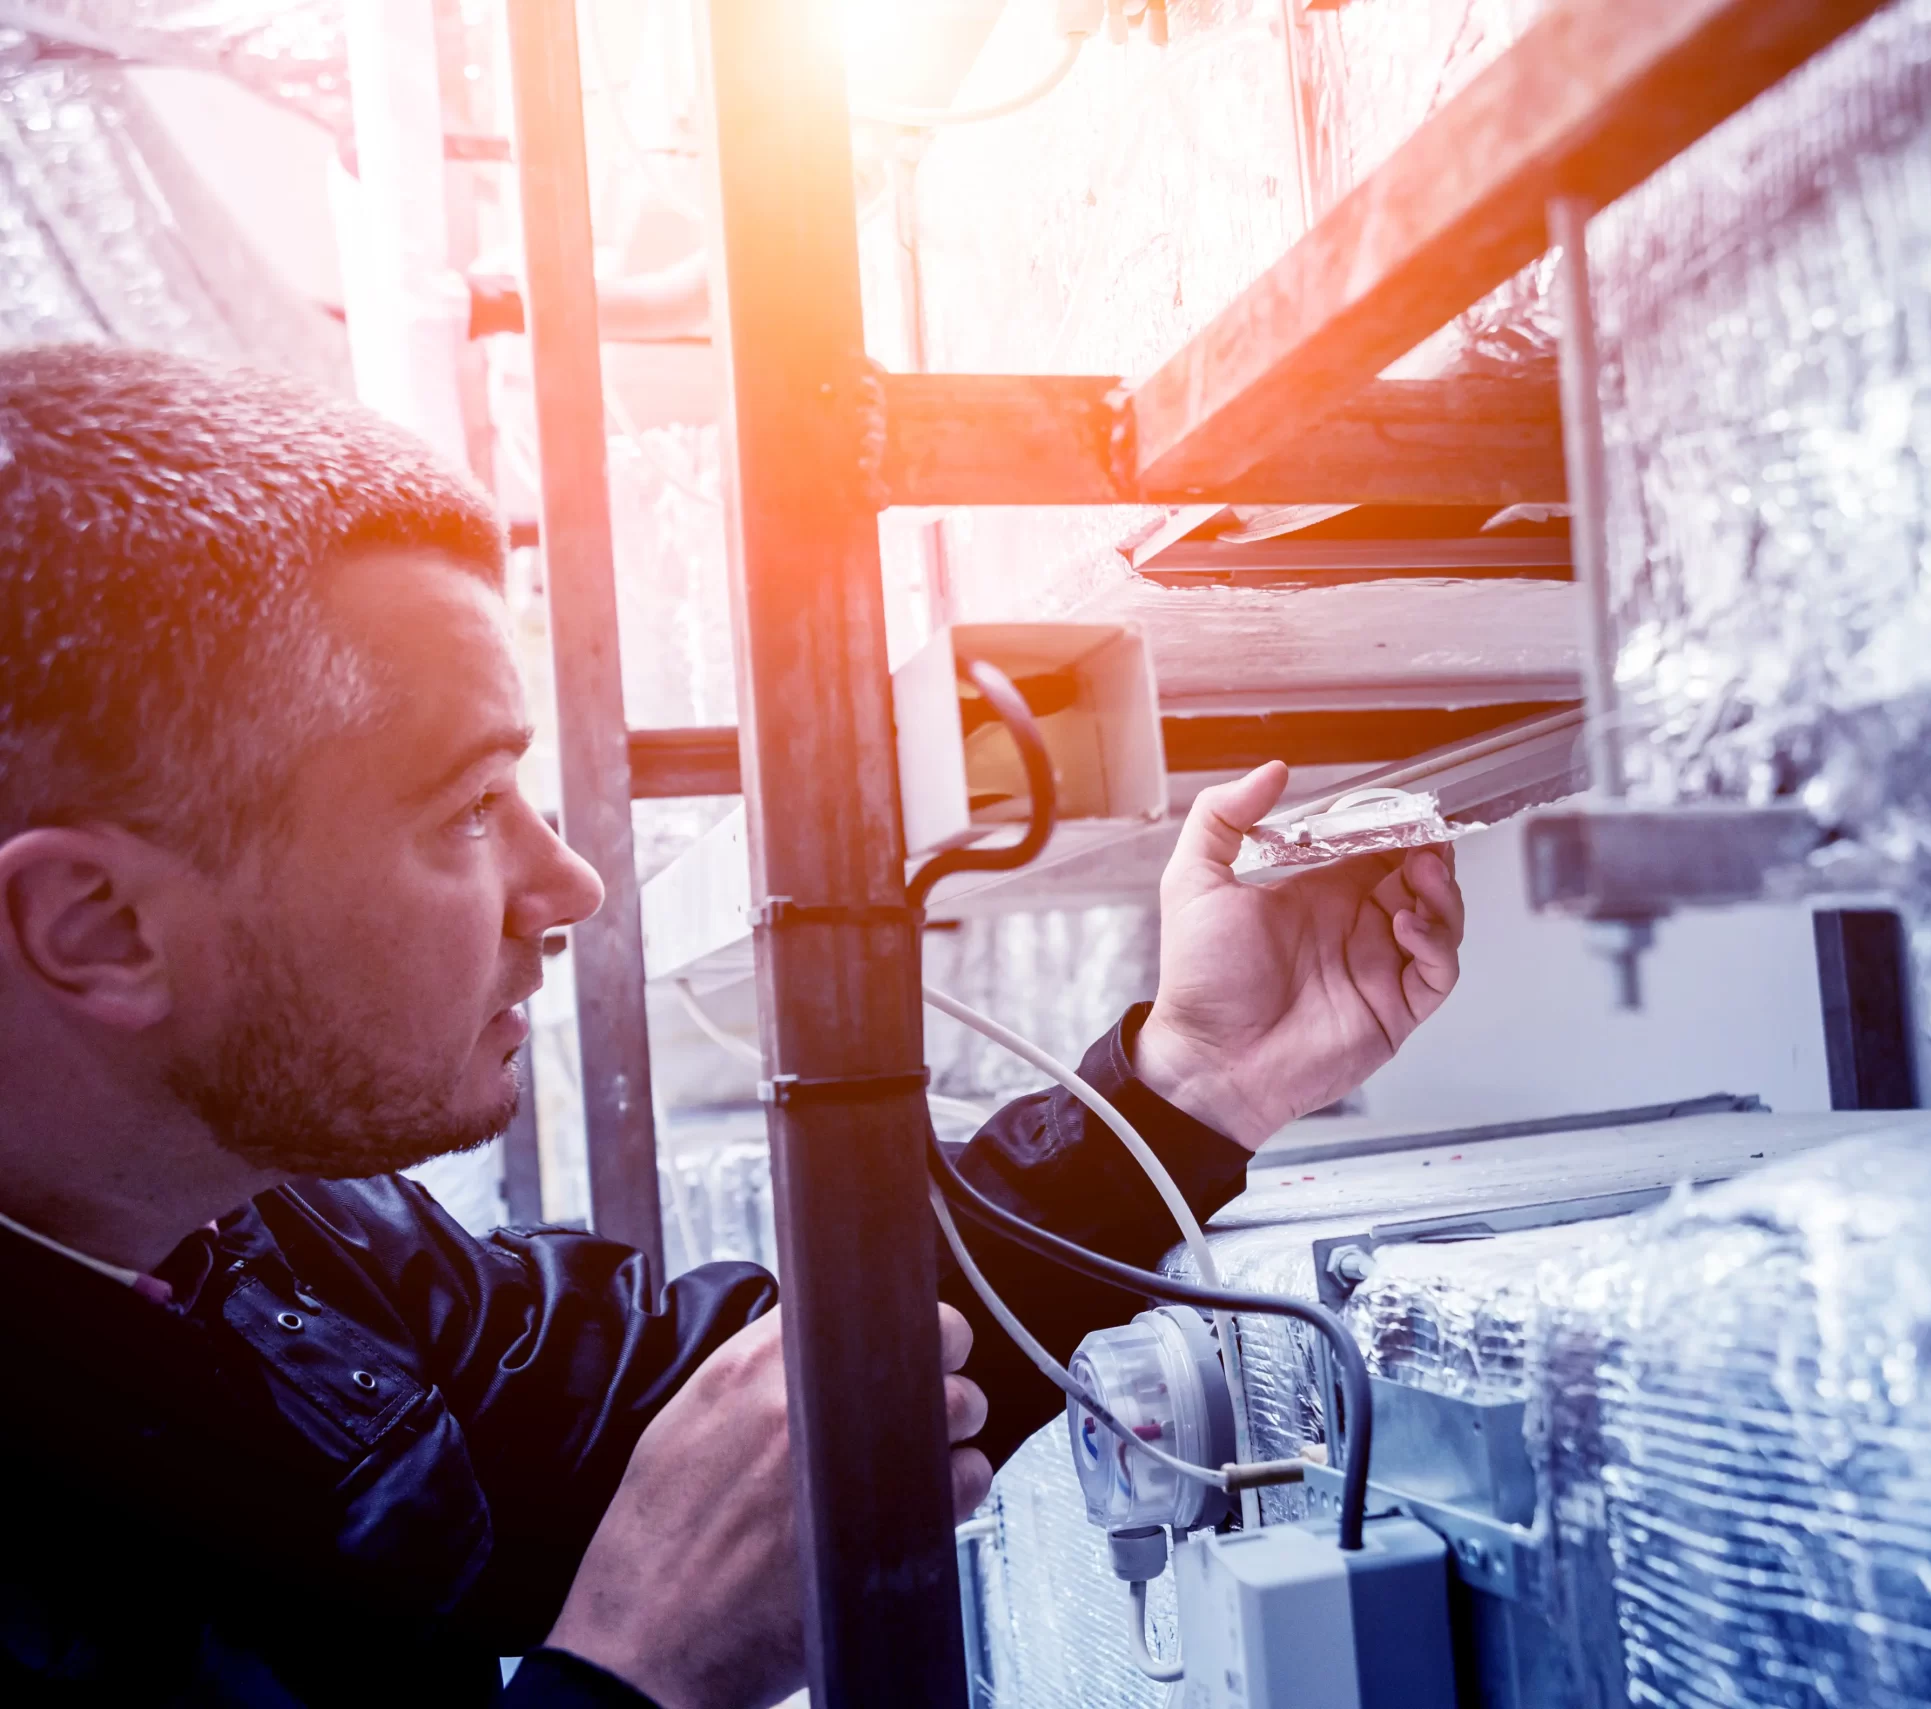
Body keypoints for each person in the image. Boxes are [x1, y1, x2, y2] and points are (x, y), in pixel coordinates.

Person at [0, 345, 1467, 1709]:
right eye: (463, 811)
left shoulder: (273, 1242)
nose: (565, 881)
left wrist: (1183, 1086)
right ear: (100, 930)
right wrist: (633, 1676)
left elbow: (756, 1403)